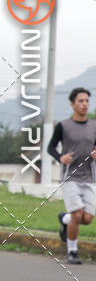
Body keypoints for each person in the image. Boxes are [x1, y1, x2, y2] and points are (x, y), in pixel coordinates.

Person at [47, 87, 96, 265]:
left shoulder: (94, 126)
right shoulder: (63, 126)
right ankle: (72, 252)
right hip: (70, 177)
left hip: (89, 177)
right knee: (77, 215)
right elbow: (50, 147)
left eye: (87, 101)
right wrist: (61, 157)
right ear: (72, 104)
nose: (84, 104)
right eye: (81, 101)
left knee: (87, 219)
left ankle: (64, 219)